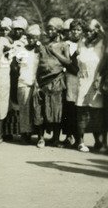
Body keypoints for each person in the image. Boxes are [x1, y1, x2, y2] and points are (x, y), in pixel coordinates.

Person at [33, 17, 70, 148]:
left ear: (59, 30)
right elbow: (38, 63)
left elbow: (68, 62)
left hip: (57, 81)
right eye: (48, 28)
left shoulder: (63, 45)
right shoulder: (43, 45)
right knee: (41, 110)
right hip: (43, 81)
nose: (50, 31)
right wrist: (36, 81)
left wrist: (55, 51)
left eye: (52, 29)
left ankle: (55, 139)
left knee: (56, 111)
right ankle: (41, 138)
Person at [75, 19, 106, 152]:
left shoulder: (102, 43)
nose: (87, 33)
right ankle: (80, 142)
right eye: (86, 30)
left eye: (91, 31)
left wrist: (99, 77)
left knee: (96, 110)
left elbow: (105, 63)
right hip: (83, 80)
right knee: (82, 109)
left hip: (97, 80)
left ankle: (98, 142)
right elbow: (75, 60)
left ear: (97, 31)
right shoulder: (80, 43)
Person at [14, 24, 40, 141]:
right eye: (29, 37)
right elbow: (15, 64)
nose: (31, 39)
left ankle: (35, 133)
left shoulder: (39, 51)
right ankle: (25, 133)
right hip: (23, 82)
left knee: (35, 109)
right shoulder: (21, 50)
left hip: (36, 84)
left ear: (37, 38)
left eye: (34, 37)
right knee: (24, 108)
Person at [61, 19, 84, 147]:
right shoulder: (66, 44)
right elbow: (67, 62)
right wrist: (76, 53)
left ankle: (79, 138)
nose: (75, 32)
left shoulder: (86, 43)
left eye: (78, 30)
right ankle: (69, 136)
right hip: (71, 78)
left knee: (79, 107)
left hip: (82, 79)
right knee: (69, 107)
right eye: (73, 30)